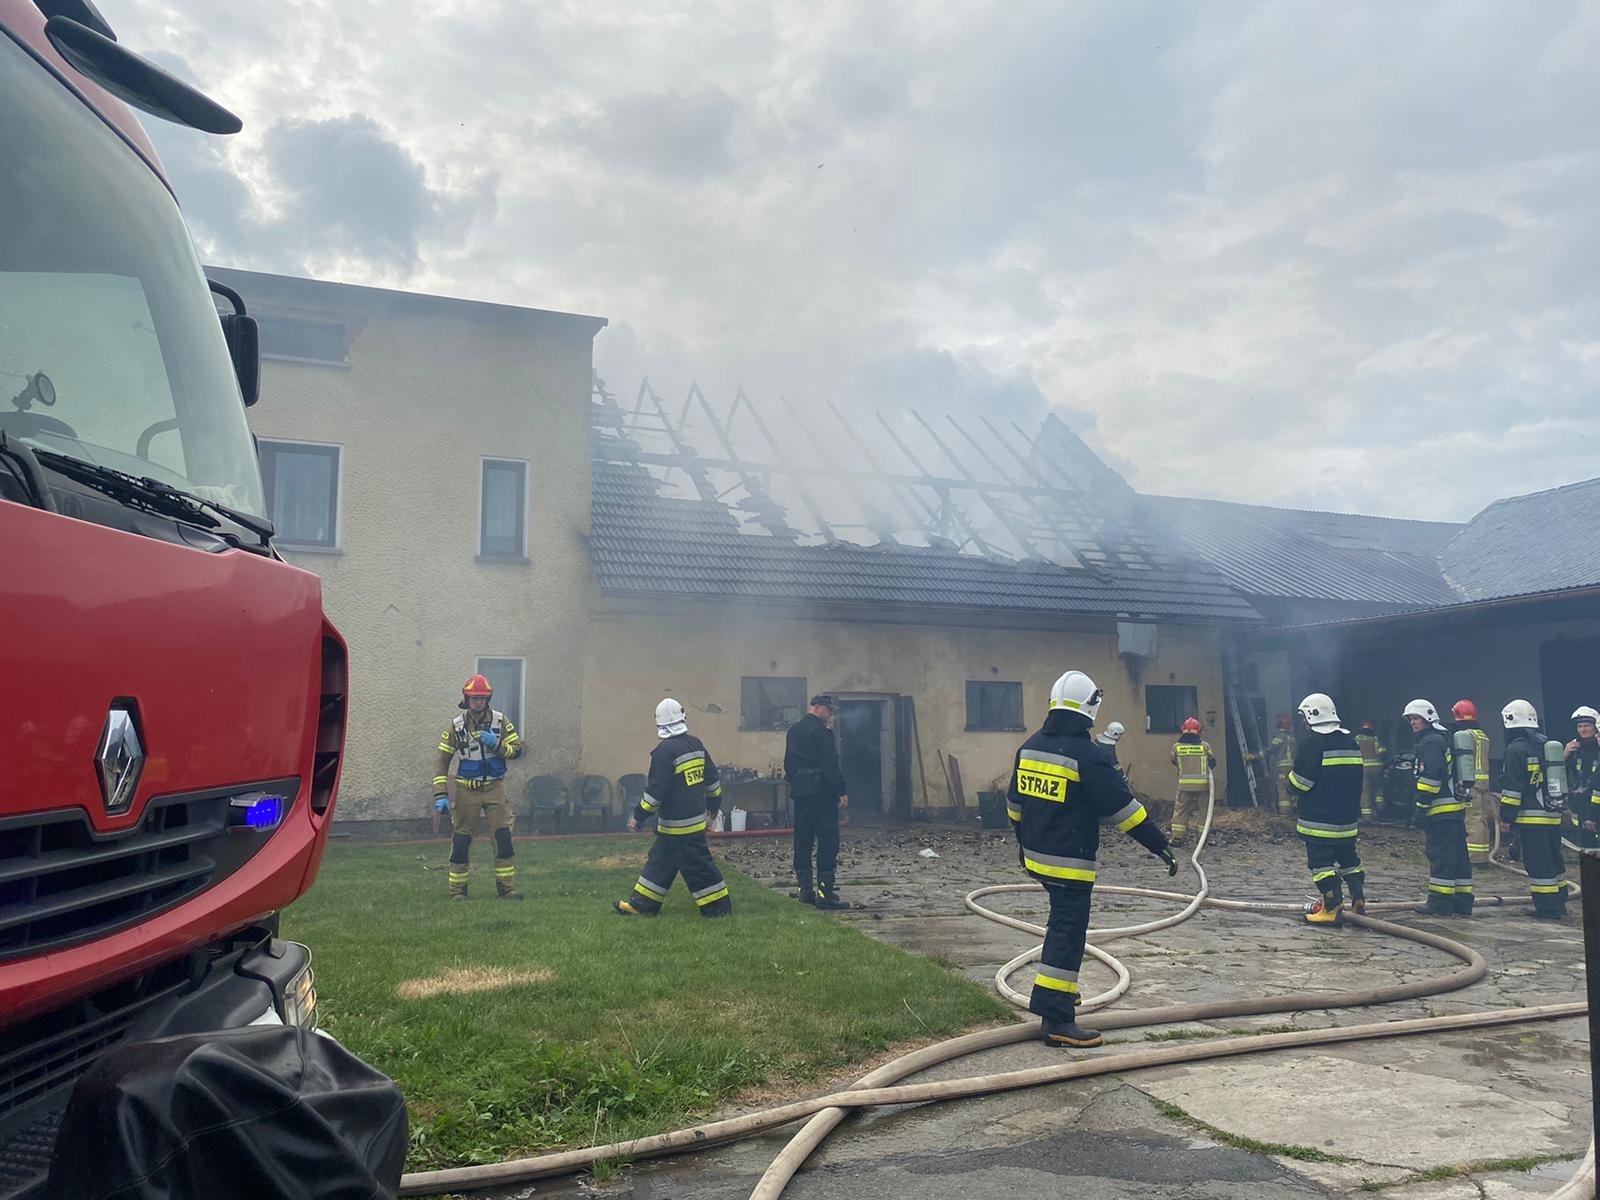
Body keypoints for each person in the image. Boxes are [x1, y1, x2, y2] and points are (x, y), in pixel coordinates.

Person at [1007, 670, 1177, 1048]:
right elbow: (1125, 811)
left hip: (1036, 857)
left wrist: (1023, 845)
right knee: (1068, 933)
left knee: (1060, 925)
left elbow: (1014, 805)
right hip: (1069, 863)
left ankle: (1061, 995)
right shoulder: (1087, 755)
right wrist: (1160, 845)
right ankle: (1056, 1018)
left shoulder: (1031, 745)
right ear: (1091, 708)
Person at [613, 699, 732, 919]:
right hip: (691, 823)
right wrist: (713, 809)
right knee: (660, 864)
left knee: (698, 867)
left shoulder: (664, 752)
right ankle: (642, 905)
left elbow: (655, 793)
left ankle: (718, 907)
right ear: (682, 718)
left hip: (677, 826)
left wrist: (637, 817)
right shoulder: (696, 744)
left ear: (659, 724)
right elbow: (712, 781)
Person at [431, 674, 525, 901]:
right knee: (462, 840)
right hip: (466, 790)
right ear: (467, 699)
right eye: (474, 698)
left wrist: (498, 745)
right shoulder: (456, 726)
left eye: (482, 699)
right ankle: (458, 891)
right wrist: (441, 794)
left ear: (488, 699)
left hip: (495, 787)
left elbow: (517, 750)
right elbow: (441, 762)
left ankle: (507, 889)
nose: (478, 703)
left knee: (503, 837)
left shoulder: (501, 722)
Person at [1287, 693, 1366, 925]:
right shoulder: (1350, 742)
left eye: (1304, 716)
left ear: (1313, 715)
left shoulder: (1312, 743)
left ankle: (1331, 908)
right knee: (1349, 860)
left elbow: (1300, 783)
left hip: (1319, 821)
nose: (1303, 721)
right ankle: (1358, 898)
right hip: (1347, 820)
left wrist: (1288, 784)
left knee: (1321, 865)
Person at [1500, 699, 1568, 920]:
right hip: (1552, 815)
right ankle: (1560, 901)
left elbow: (1513, 788)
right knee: (1555, 860)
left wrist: (1506, 819)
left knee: (1539, 865)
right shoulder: (1546, 745)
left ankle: (1547, 909)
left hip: (1531, 818)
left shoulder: (1515, 749)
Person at [1404, 699, 1470, 917]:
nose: (1413, 722)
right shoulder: (1440, 738)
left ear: (1428, 718)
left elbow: (1431, 777)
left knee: (1440, 855)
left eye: (1416, 718)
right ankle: (1462, 901)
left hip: (1440, 811)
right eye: (1411, 719)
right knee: (1458, 857)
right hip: (1453, 810)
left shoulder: (1430, 742)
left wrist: (1421, 808)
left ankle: (1440, 903)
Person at [785, 694, 849, 909]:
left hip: (800, 793)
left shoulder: (793, 731)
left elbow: (789, 764)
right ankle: (825, 894)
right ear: (817, 708)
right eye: (828, 710)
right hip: (822, 793)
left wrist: (797, 781)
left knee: (802, 842)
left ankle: (806, 892)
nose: (831, 714)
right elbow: (830, 764)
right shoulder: (822, 732)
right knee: (827, 842)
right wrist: (841, 789)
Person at [1450, 700, 1494, 865]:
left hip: (1470, 782)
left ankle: (1474, 857)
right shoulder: (1482, 735)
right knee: (1480, 818)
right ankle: (1482, 854)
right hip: (1483, 782)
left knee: (1472, 819)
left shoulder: (1466, 735)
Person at [1169, 717, 1214, 846]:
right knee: (1204, 812)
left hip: (1184, 786)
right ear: (1198, 731)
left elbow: (1173, 761)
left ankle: (1177, 838)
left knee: (1180, 812)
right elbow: (1213, 762)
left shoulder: (1176, 747)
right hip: (1203, 787)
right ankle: (1202, 839)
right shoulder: (1205, 746)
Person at [1568, 706, 1600, 848]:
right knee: (1588, 851)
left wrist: (1593, 816)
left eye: (1587, 725)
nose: (1582, 729)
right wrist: (1563, 757)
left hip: (1596, 808)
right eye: (1579, 726)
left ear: (1596, 727)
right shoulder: (1574, 749)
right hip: (1581, 808)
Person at [1355, 720, 1386, 821]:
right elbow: (1382, 752)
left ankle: (1367, 816)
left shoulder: (1357, 739)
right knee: (1378, 789)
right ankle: (1380, 810)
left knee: (1365, 791)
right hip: (1377, 767)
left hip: (1364, 768)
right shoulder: (1375, 738)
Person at [1269, 714, 1296, 816]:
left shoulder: (1279, 736)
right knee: (1291, 787)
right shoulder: (1292, 737)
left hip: (1282, 767)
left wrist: (1256, 755)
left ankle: (1285, 814)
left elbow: (1272, 749)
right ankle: (1294, 808)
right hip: (1292, 766)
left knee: (1282, 789)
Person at [1095, 720, 1129, 784]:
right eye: (1120, 735)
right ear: (1115, 734)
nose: (1120, 737)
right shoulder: (1109, 748)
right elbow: (1114, 764)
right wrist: (1122, 776)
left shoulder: (1098, 741)